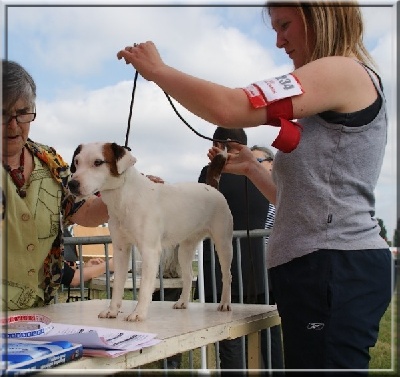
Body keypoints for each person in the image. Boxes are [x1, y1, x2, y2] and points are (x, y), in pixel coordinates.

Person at [117, 1, 393, 371]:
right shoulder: (328, 93)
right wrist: (251, 168)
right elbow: (297, 200)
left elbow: (231, 106)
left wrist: (158, 70)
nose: (279, 41)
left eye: (284, 24)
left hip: (332, 266)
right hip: (321, 267)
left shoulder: (341, 70)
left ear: (320, 16)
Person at [1, 59, 109, 311]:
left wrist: (123, 193)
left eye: (22, 112)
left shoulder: (49, 161)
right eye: (3, 113)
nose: (13, 125)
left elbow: (83, 211)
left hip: (39, 312)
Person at [194, 127, 272, 370]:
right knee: (265, 342)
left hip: (221, 273)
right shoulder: (260, 175)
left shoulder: (211, 173)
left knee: (230, 342)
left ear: (218, 144)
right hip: (258, 271)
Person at [250, 145, 283, 370]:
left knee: (270, 328)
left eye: (258, 162)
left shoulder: (282, 191)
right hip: (254, 271)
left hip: (273, 269)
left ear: (272, 163)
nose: (254, 167)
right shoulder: (253, 195)